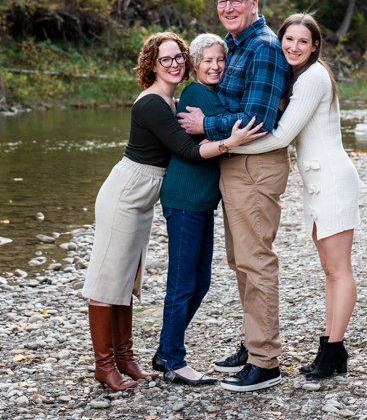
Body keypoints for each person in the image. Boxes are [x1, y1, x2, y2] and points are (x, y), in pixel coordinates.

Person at [82, 32, 263, 392]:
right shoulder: (152, 104)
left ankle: (127, 358)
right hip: (127, 192)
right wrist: (231, 141)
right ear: (151, 64)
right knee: (108, 279)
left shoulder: (171, 99)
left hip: (146, 193)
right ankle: (106, 366)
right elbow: (188, 151)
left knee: (126, 281)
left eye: (179, 56)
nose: (175, 63)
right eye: (166, 59)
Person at [227, 12, 361, 381]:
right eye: (289, 39)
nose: (293, 46)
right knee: (330, 271)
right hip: (320, 183)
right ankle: (331, 348)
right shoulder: (301, 78)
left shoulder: (315, 77)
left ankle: (334, 350)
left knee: (339, 270)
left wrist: (226, 146)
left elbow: (282, 137)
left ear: (315, 46)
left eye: (303, 41)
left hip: (332, 181)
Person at [178, 0, 292, 393]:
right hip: (235, 163)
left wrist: (206, 123)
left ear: (253, 3)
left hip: (255, 167)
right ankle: (252, 342)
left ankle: (266, 363)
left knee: (255, 260)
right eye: (222, 1)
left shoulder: (263, 47)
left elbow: (259, 119)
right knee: (240, 259)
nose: (227, 7)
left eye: (235, 1)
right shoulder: (231, 46)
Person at [150, 34, 230, 386]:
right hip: (184, 200)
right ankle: (175, 363)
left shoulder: (210, 95)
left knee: (200, 282)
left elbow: (222, 125)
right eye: (207, 60)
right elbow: (233, 127)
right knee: (183, 284)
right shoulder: (197, 94)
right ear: (195, 65)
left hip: (200, 202)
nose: (214, 66)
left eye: (220, 60)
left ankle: (166, 350)